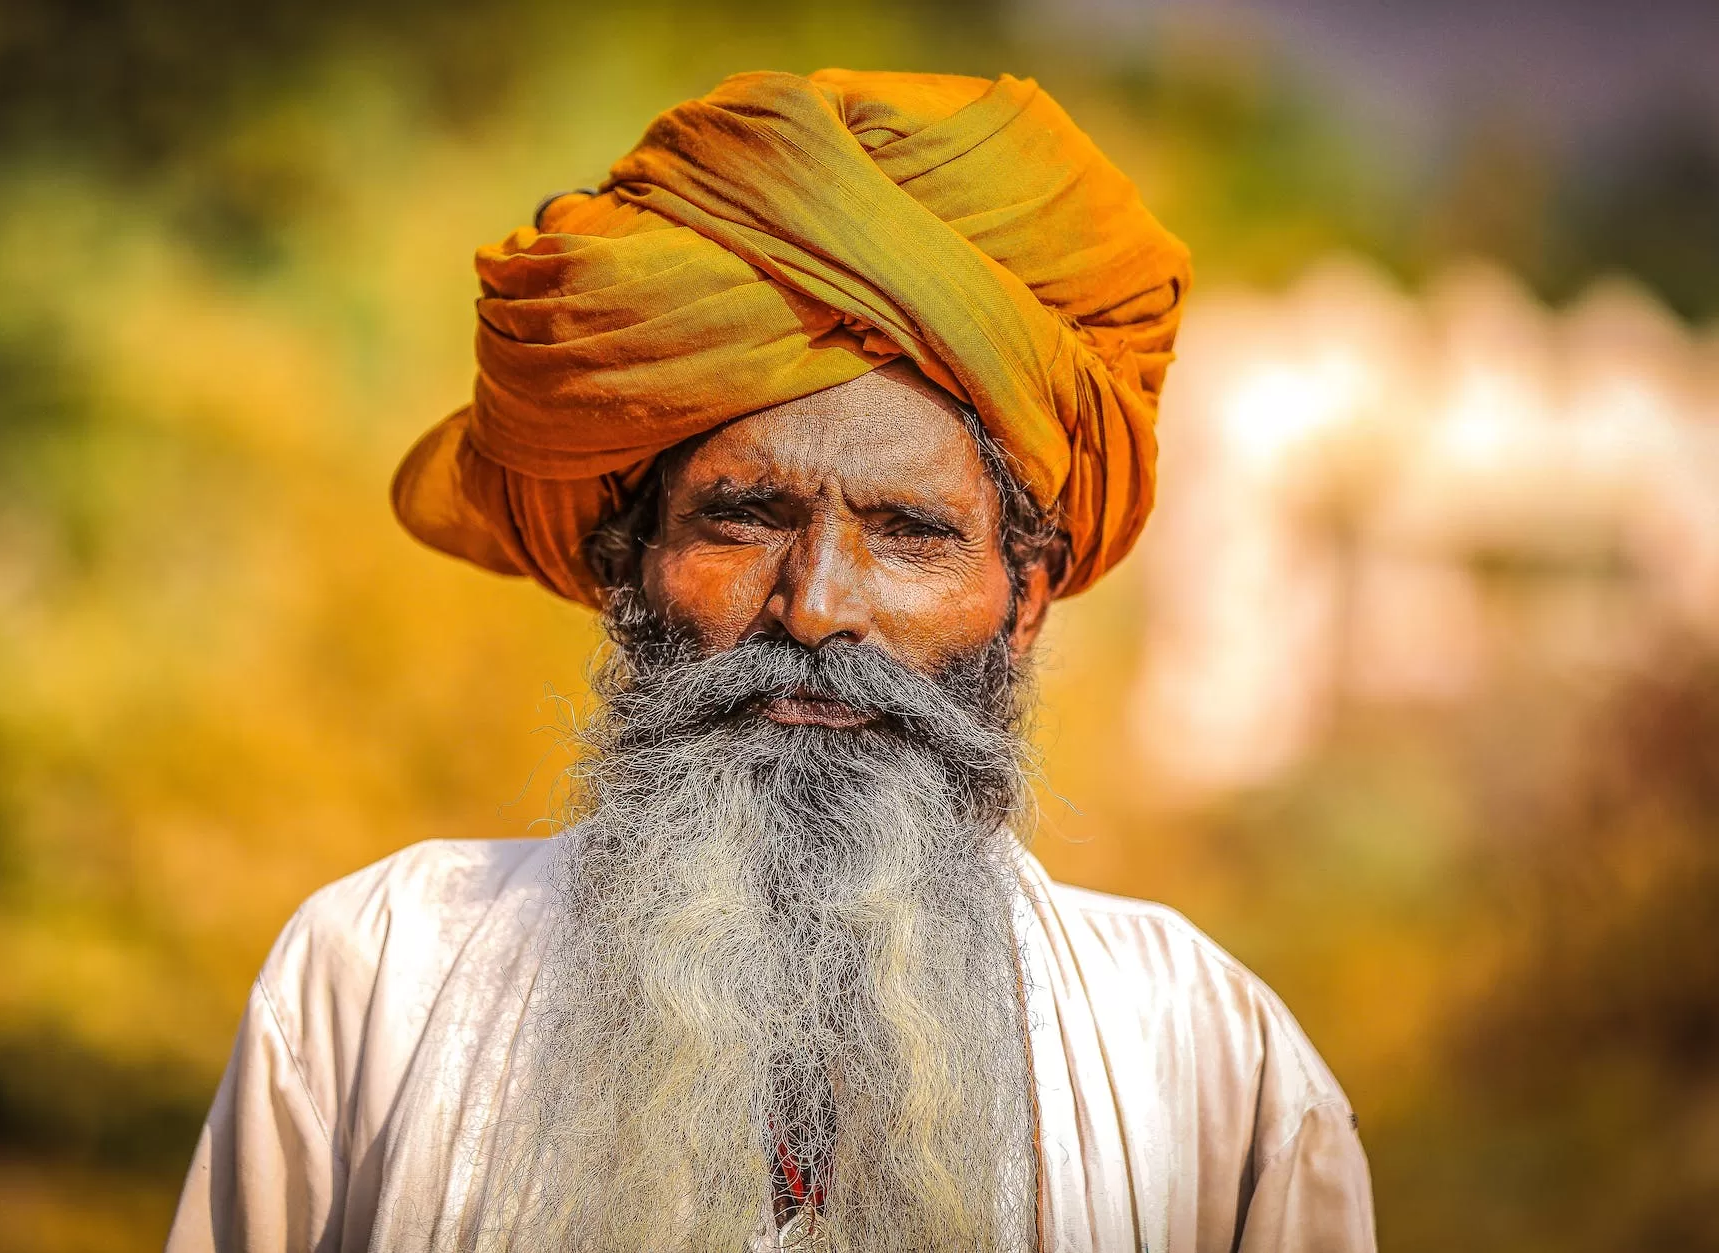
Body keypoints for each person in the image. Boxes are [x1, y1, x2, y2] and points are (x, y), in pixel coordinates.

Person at [165, 69, 1376, 1253]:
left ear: (1024, 601)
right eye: (742, 517)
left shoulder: (1213, 1071)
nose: (815, 608)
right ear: (628, 564)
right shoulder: (375, 982)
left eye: (908, 532)